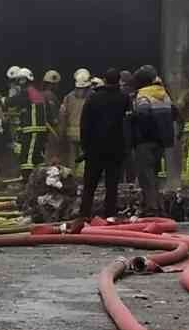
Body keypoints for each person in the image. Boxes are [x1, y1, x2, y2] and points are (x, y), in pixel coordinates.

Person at [78, 69, 129, 223]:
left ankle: (84, 215)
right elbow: (128, 123)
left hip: (94, 149)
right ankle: (110, 215)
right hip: (116, 148)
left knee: (90, 185)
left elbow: (84, 124)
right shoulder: (124, 98)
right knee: (112, 185)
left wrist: (85, 147)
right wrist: (126, 146)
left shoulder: (93, 98)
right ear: (118, 80)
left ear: (105, 80)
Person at [129, 65, 175, 213]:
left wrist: (131, 117)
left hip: (145, 140)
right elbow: (174, 113)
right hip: (161, 140)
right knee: (154, 174)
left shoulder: (143, 95)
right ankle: (159, 206)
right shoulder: (164, 94)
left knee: (145, 175)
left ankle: (152, 207)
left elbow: (142, 115)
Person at [54, 68, 92, 171]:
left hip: (71, 133)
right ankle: (83, 176)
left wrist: (61, 133)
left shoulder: (68, 97)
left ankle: (72, 176)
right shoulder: (92, 97)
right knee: (85, 157)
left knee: (72, 157)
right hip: (87, 133)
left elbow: (63, 116)